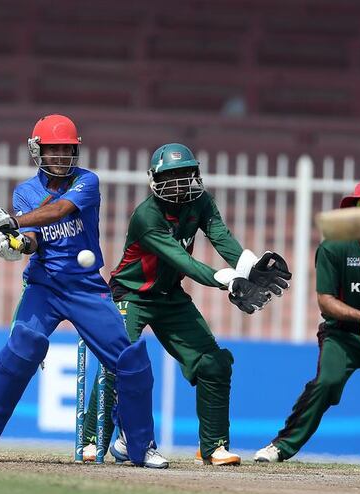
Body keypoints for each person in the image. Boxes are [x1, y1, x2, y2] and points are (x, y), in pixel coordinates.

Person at [0, 114, 168, 469]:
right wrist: (12, 244)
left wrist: (11, 221)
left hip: (86, 287)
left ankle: (138, 445)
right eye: (53, 149)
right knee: (25, 342)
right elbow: (31, 241)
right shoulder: (25, 191)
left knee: (130, 360)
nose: (60, 156)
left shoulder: (87, 181)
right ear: (37, 151)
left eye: (66, 149)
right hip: (44, 285)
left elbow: (59, 211)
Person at [80, 142, 291, 466]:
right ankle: (93, 440)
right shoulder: (146, 216)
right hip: (132, 293)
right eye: (171, 176)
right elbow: (183, 260)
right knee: (118, 361)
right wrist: (228, 280)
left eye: (184, 175)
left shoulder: (202, 203)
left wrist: (248, 266)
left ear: (196, 175)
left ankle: (213, 447)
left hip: (170, 295)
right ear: (154, 179)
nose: (179, 183)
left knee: (213, 362)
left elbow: (222, 238)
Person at [253, 180, 360, 463]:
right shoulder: (334, 247)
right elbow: (325, 300)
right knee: (327, 382)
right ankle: (281, 446)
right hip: (342, 334)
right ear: (353, 211)